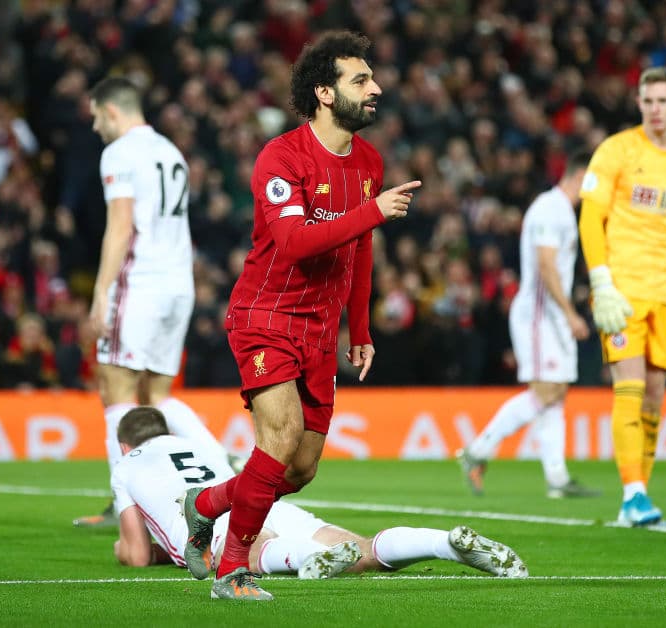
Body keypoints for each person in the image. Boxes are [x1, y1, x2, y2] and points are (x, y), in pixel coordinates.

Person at [181, 30, 422, 601]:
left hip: (319, 328)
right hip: (264, 314)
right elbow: (291, 242)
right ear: (323, 92)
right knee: (282, 434)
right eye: (360, 80)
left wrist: (358, 329)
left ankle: (207, 503)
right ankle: (232, 569)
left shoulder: (367, 161)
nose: (376, 89)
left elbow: (359, 247)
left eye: (372, 78)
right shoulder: (280, 158)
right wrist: (371, 210)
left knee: (300, 468)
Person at [112, 407, 528, 583]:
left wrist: (123, 547)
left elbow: (135, 554)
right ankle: (444, 544)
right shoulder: (200, 445)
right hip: (266, 503)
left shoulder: (126, 465)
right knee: (361, 550)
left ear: (125, 446)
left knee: (257, 553)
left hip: (216, 522)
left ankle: (303, 559)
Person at [77, 76, 231, 529]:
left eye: (95, 117)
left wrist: (101, 291)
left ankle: (124, 508)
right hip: (177, 282)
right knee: (159, 395)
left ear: (110, 111)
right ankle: (222, 468)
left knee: (116, 388)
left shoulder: (120, 152)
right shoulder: (169, 150)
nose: (94, 128)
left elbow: (121, 226)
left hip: (140, 282)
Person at [578, 67, 666, 526]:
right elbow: (591, 218)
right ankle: (634, 493)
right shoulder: (617, 150)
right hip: (621, 291)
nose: (655, 109)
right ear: (638, 104)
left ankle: (635, 499)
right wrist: (601, 283)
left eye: (663, 101)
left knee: (655, 397)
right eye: (647, 101)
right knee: (630, 385)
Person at [456, 151, 601, 500]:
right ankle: (477, 450)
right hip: (539, 314)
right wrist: (569, 312)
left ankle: (557, 478)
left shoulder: (561, 210)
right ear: (580, 175)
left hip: (550, 314)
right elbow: (546, 265)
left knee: (556, 394)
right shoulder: (550, 209)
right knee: (546, 391)